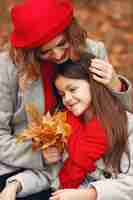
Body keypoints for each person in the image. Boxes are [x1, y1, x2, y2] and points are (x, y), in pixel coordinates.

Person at [0, 0, 132, 199]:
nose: (58, 54)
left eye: (62, 44)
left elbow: (116, 116)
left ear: (71, 33)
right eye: (45, 51)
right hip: (25, 163)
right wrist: (37, 155)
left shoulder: (93, 51)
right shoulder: (7, 68)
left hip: (86, 165)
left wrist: (116, 86)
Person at [49, 53, 133, 200]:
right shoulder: (65, 125)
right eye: (62, 94)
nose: (67, 99)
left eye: (73, 89)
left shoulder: (125, 123)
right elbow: (53, 173)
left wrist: (91, 194)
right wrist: (15, 184)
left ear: (93, 84)